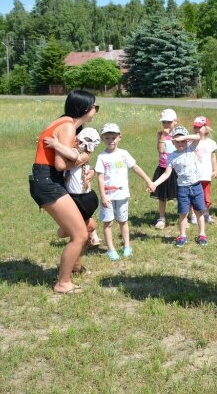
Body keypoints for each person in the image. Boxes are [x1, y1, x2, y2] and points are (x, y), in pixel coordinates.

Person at [29, 89, 98, 294]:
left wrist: (87, 166)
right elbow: (60, 164)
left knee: (88, 225)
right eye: (95, 106)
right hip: (48, 181)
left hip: (47, 179)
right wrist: (84, 158)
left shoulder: (63, 123)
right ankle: (63, 283)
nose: (96, 110)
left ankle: (75, 265)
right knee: (79, 234)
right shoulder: (68, 126)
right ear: (84, 108)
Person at [95, 123, 154, 261]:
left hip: (122, 195)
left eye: (114, 137)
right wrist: (103, 195)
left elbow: (135, 167)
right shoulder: (101, 157)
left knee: (123, 220)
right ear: (102, 138)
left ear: (119, 137)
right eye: (107, 138)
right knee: (108, 222)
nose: (111, 140)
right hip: (107, 196)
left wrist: (148, 180)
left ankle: (127, 246)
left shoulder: (124, 154)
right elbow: (100, 177)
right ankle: (111, 249)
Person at [151, 126, 209, 247]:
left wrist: (185, 137)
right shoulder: (171, 156)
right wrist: (155, 183)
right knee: (182, 213)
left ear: (187, 140)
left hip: (196, 186)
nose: (180, 144)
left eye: (183, 141)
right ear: (172, 141)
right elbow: (167, 174)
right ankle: (182, 235)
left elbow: (198, 136)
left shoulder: (191, 148)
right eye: (177, 141)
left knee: (199, 211)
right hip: (182, 188)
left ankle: (202, 234)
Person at [45, 127, 102, 250]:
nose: (79, 144)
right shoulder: (78, 152)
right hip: (75, 196)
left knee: (62, 232)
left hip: (83, 198)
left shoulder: (83, 154)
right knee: (79, 224)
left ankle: (87, 236)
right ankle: (90, 236)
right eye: (79, 141)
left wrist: (56, 145)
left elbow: (67, 162)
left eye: (83, 143)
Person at [151, 109, 178, 230]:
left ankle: (189, 215)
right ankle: (161, 218)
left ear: (175, 121)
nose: (166, 125)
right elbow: (161, 150)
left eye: (169, 122)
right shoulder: (161, 134)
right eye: (164, 122)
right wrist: (162, 136)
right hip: (164, 167)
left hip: (178, 168)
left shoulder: (180, 133)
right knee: (162, 195)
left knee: (183, 193)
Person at [192, 116, 217, 225]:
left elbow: (213, 157)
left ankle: (206, 214)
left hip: (206, 174)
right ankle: (194, 215)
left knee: (206, 195)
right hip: (194, 175)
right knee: (194, 195)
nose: (197, 129)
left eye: (199, 127)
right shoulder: (191, 142)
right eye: (195, 127)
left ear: (206, 128)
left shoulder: (211, 143)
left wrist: (215, 170)